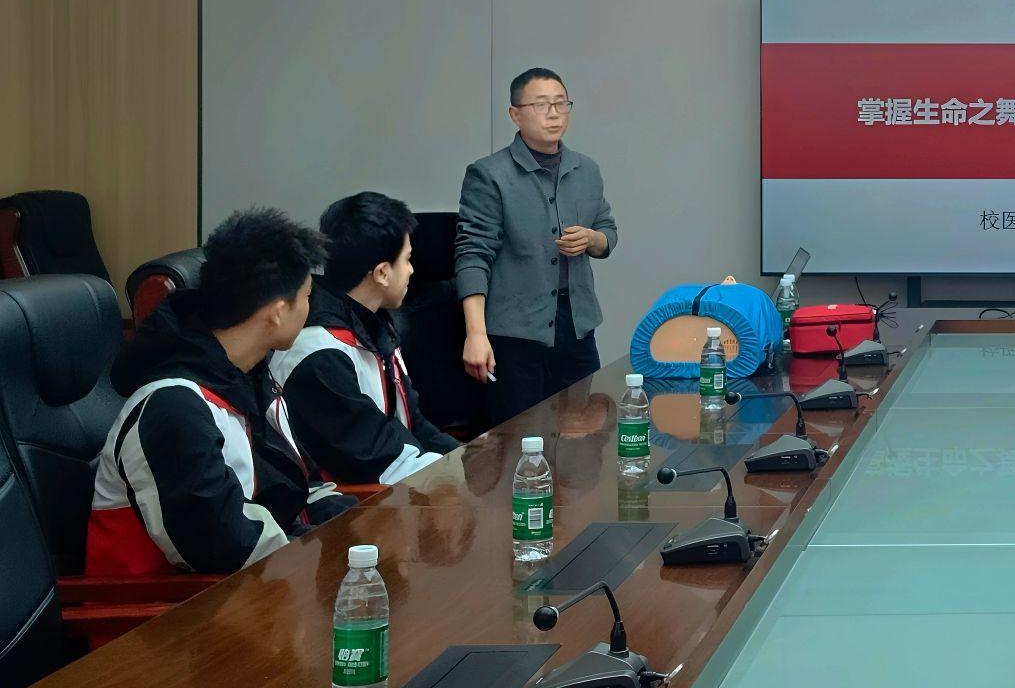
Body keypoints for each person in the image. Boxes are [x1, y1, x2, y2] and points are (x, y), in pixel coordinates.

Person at [85, 208, 349, 575]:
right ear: (276, 312)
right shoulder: (174, 407)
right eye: (307, 296)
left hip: (259, 582)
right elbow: (223, 547)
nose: (312, 307)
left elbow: (297, 486)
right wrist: (320, 560)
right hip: (172, 605)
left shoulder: (250, 377)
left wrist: (353, 531)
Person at [456, 67, 619, 428]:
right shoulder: (490, 175)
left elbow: (607, 229)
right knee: (520, 438)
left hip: (576, 325)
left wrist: (593, 239)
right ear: (515, 114)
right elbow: (472, 255)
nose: (554, 113)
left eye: (561, 104)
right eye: (542, 105)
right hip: (516, 332)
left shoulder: (586, 170)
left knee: (583, 439)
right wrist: (476, 334)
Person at [273, 192, 459, 485]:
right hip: (352, 502)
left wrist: (467, 458)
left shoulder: (375, 326)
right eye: (407, 260)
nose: (412, 270)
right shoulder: (318, 353)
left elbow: (413, 424)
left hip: (397, 483)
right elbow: (377, 460)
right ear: (382, 273)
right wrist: (457, 476)